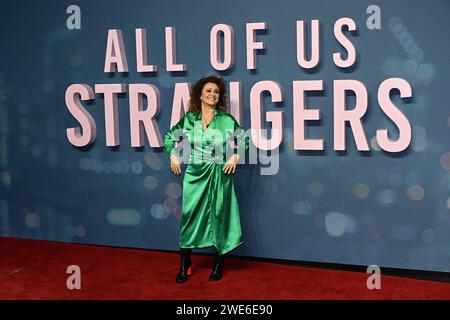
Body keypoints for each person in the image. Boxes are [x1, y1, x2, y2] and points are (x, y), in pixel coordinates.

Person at [164, 75, 249, 283]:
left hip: (221, 174)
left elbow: (243, 140)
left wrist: (235, 155)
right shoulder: (190, 119)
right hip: (195, 174)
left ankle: (219, 263)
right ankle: (186, 264)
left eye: (216, 92)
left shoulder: (226, 120)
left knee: (219, 216)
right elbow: (170, 137)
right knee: (189, 216)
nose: (213, 94)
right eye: (209, 91)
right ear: (200, 95)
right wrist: (173, 154)